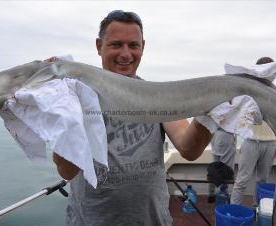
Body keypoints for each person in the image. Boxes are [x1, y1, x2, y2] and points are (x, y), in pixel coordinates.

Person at [51, 10, 212, 226]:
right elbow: (67, 171)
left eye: (133, 45)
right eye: (116, 44)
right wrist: (65, 107)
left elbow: (189, 148)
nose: (125, 54)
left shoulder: (155, 96)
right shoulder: (78, 98)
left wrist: (210, 116)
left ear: (143, 47)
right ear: (99, 46)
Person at [230, 57, 276, 206]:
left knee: (263, 181)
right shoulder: (248, 91)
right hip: (251, 141)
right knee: (242, 179)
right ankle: (234, 210)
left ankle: (258, 209)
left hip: (270, 142)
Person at [208, 129, 236, 203]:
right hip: (226, 134)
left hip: (214, 134)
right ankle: (223, 192)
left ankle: (211, 194)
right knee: (227, 168)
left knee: (215, 165)